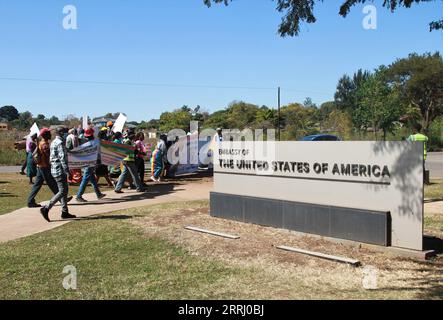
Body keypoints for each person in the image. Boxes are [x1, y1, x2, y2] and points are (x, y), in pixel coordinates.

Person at [27, 128, 73, 208]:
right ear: (46, 135)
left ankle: (30, 201)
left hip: (41, 167)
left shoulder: (42, 142)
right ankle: (62, 199)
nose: (51, 135)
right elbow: (49, 155)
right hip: (45, 167)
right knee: (53, 184)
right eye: (49, 133)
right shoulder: (44, 144)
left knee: (37, 185)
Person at [40, 127, 76, 222]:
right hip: (60, 170)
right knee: (62, 191)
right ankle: (46, 208)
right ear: (61, 133)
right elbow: (62, 158)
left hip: (55, 170)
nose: (66, 135)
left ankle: (65, 212)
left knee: (64, 191)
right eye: (65, 133)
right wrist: (68, 171)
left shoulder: (54, 142)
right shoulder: (60, 143)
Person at [75, 128, 106, 202]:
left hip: (87, 161)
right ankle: (79, 195)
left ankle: (98, 194)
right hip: (92, 162)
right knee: (85, 178)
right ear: (92, 134)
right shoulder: (96, 142)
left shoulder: (86, 143)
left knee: (92, 178)